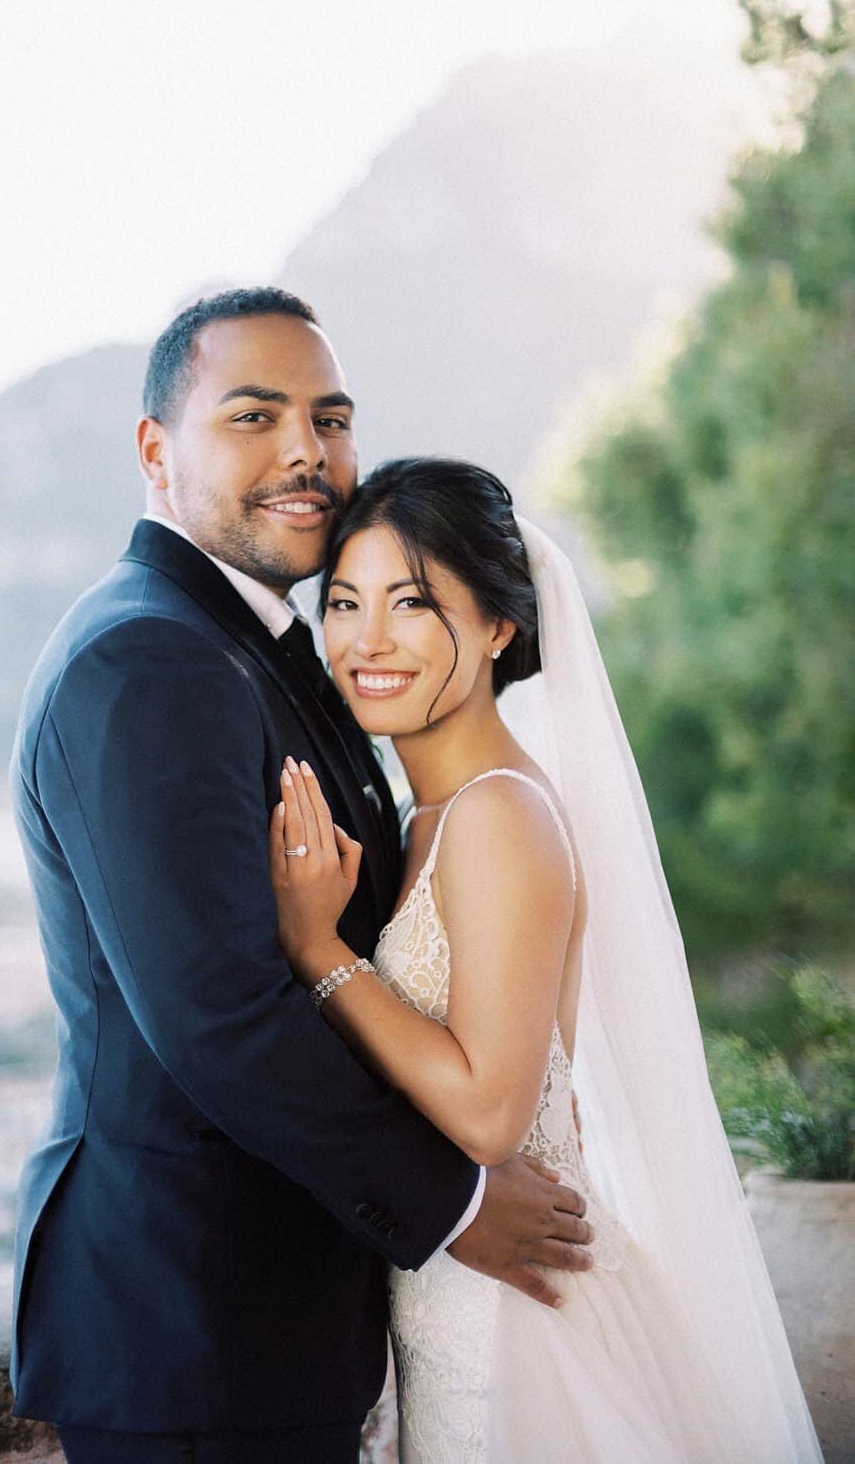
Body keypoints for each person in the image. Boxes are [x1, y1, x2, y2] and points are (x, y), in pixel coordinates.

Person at [8, 290, 593, 1464]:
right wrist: (454, 1207)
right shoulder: (147, 660)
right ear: (153, 450)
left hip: (272, 1324)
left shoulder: (258, 652)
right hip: (195, 1329)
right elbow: (217, 1014)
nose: (303, 452)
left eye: (329, 419)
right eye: (253, 416)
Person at [269, 455, 823, 1462]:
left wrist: (318, 951)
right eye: (343, 602)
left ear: (495, 625)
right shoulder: (421, 814)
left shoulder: (499, 815)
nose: (366, 639)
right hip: (449, 1306)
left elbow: (489, 1111)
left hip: (517, 1329)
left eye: (412, 602)